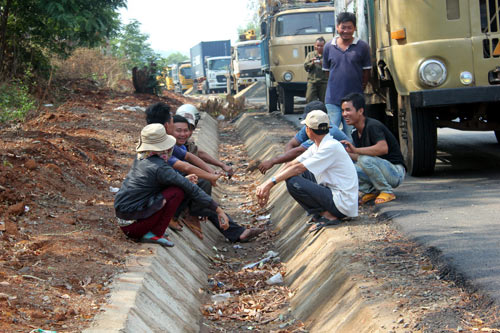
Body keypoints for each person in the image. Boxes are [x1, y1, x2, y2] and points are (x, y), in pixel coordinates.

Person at [114, 124, 230, 247]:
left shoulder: (142, 158)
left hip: (124, 219)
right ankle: (155, 233)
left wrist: (183, 179)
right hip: (133, 227)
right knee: (177, 192)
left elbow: (155, 183)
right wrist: (219, 211)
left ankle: (152, 229)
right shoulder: (160, 167)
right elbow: (191, 189)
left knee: (178, 187)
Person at [256, 111, 358, 233]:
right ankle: (320, 213)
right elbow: (292, 163)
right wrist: (268, 182)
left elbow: (297, 168)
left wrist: (270, 183)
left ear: (309, 130)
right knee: (294, 174)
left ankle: (328, 215)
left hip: (343, 203)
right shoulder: (318, 145)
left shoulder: (330, 146)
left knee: (293, 181)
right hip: (335, 196)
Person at [340, 93, 405, 204]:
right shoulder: (355, 132)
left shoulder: (372, 126)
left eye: (348, 110)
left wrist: (355, 150)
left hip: (395, 173)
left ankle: (387, 191)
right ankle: (372, 191)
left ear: (360, 111)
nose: (344, 114)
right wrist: (341, 153)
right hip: (381, 169)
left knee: (364, 159)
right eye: (343, 111)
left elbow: (382, 148)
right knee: (343, 168)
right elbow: (358, 156)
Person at [258, 100, 349, 174]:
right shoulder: (310, 126)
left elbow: (299, 150)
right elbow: (291, 144)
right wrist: (288, 164)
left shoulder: (327, 131)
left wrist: (273, 161)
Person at [323, 12, 371, 138]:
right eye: (343, 27)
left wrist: (360, 88)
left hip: (354, 101)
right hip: (333, 98)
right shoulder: (328, 47)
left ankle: (352, 157)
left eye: (349, 27)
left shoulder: (362, 46)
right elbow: (327, 72)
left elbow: (366, 71)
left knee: (352, 134)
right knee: (330, 131)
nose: (346, 31)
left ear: (355, 28)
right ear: (337, 27)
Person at [174, 107, 234, 177]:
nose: (183, 134)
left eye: (188, 129)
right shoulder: (170, 147)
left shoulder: (184, 145)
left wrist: (220, 166)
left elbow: (198, 154)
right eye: (179, 130)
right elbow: (187, 165)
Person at [304, 37, 329, 103]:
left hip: (324, 82)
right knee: (309, 99)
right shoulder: (310, 55)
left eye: (321, 46)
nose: (319, 47)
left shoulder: (327, 55)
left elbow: (331, 66)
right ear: (315, 46)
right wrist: (312, 62)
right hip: (312, 81)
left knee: (324, 100)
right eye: (318, 45)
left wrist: (322, 63)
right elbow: (306, 67)